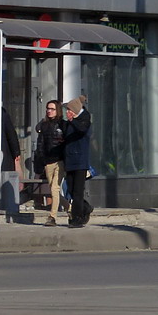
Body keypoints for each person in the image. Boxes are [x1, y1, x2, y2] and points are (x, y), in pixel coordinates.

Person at [63, 95, 94, 228]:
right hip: (70, 159)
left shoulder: (84, 119)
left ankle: (77, 218)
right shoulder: (69, 123)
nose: (67, 113)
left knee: (78, 190)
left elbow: (82, 130)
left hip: (80, 160)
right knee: (70, 188)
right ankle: (85, 207)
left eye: (69, 110)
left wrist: (72, 121)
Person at [35, 99, 66, 226]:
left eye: (52, 109)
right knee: (54, 191)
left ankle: (52, 217)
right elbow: (40, 143)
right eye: (48, 108)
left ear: (57, 110)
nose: (49, 111)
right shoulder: (44, 125)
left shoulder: (63, 124)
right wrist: (42, 159)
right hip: (48, 162)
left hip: (60, 161)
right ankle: (70, 208)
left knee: (54, 188)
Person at [0, 107, 23, 223]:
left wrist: (16, 153)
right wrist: (16, 153)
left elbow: (11, 136)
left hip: (2, 156)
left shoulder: (1, 114)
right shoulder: (3, 114)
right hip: (4, 155)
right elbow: (11, 135)